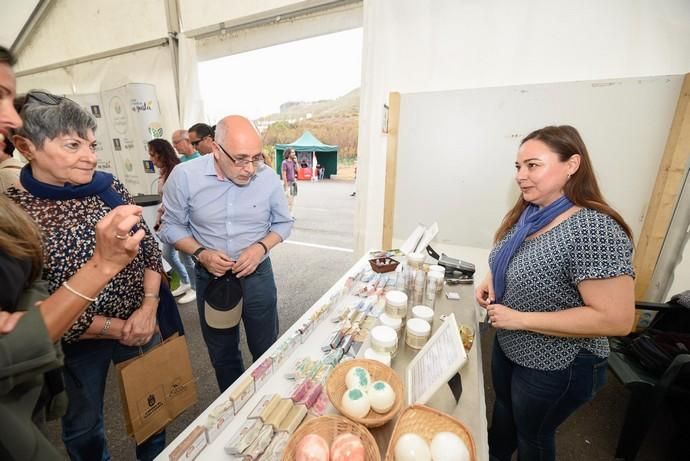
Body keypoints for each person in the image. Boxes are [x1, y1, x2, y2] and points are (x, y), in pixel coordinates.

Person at [0, 45, 147, 461]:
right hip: (80, 344)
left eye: (92, 143)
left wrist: (150, 304)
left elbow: (149, 249)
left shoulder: (107, 185)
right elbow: (40, 294)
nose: (90, 156)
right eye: (72, 145)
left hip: (141, 320)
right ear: (28, 148)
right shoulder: (19, 210)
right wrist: (111, 326)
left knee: (153, 402)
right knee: (84, 426)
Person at [475, 125, 635, 461]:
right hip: (510, 344)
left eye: (533, 165)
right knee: (504, 414)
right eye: (518, 167)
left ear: (571, 165)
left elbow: (617, 319)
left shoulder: (594, 229)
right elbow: (517, 256)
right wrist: (493, 276)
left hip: (557, 363)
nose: (521, 176)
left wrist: (520, 320)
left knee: (533, 436)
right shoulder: (531, 213)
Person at [160, 115, 293, 391]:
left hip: (258, 276)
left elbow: (283, 223)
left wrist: (261, 247)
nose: (250, 168)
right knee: (223, 354)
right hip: (212, 279)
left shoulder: (267, 178)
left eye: (256, 158)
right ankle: (234, 410)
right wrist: (201, 253)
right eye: (241, 159)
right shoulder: (185, 177)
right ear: (217, 150)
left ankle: (268, 398)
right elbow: (170, 227)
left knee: (266, 347)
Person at [149, 138, 196, 304]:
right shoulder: (165, 171)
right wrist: (159, 218)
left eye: (153, 154)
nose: (151, 159)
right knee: (168, 254)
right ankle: (186, 281)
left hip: (181, 222)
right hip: (169, 221)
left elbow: (180, 200)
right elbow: (166, 201)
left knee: (186, 256)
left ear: (162, 154)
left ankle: (194, 288)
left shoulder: (177, 170)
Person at [281, 148, 298, 214]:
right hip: (288, 183)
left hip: (293, 183)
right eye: (292, 152)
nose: (294, 154)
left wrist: (296, 162)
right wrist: (286, 185)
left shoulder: (293, 162)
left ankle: (290, 214)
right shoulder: (284, 163)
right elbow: (284, 175)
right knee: (287, 200)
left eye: (294, 152)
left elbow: (298, 170)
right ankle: (287, 214)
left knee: (292, 200)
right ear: (288, 154)